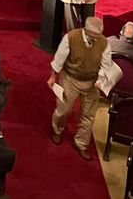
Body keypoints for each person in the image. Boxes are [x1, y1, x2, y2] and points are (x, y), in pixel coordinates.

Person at [48, 16, 111, 160]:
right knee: (63, 109)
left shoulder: (104, 42)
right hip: (70, 79)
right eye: (94, 36)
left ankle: (81, 143)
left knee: (88, 116)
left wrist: (100, 79)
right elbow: (59, 60)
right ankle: (57, 130)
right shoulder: (71, 38)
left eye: (99, 35)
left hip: (92, 82)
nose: (97, 39)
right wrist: (53, 77)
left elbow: (106, 64)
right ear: (86, 31)